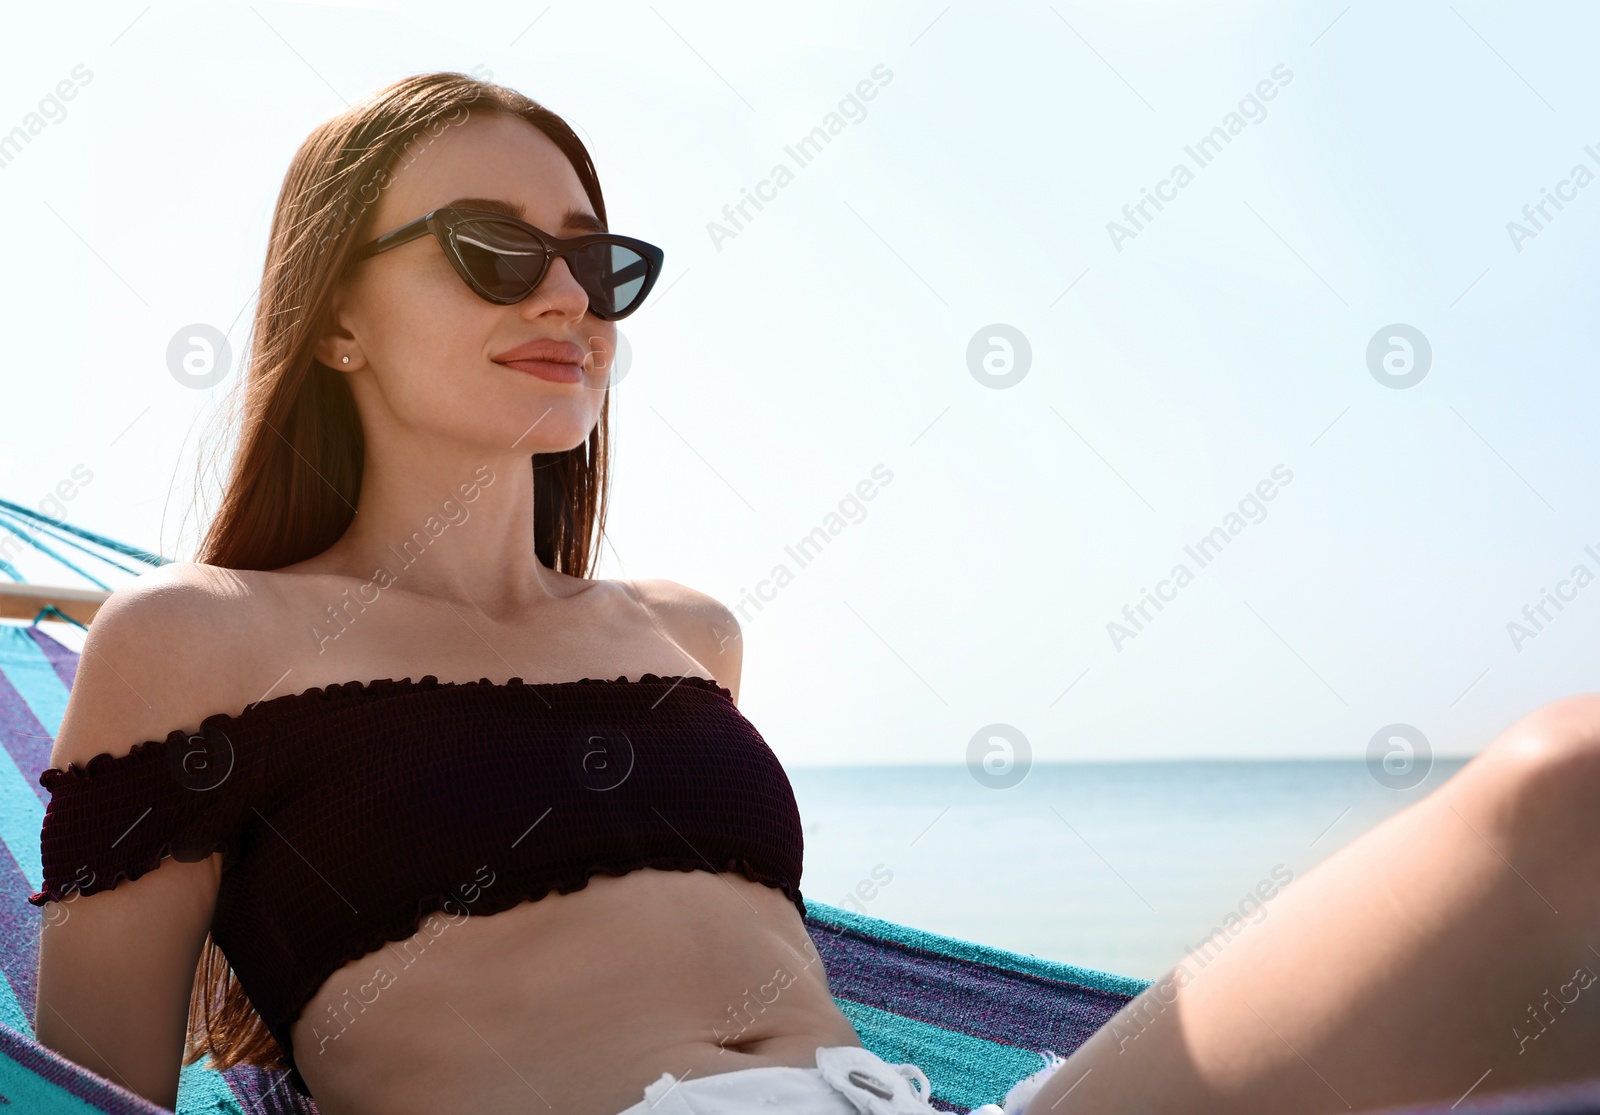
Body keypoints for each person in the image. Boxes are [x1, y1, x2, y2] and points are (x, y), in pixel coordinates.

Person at [29, 71, 1600, 1115]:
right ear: (336, 322)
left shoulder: (684, 637)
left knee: (1570, 795)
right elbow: (93, 1098)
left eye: (602, 260)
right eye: (493, 249)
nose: (568, 295)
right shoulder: (195, 640)